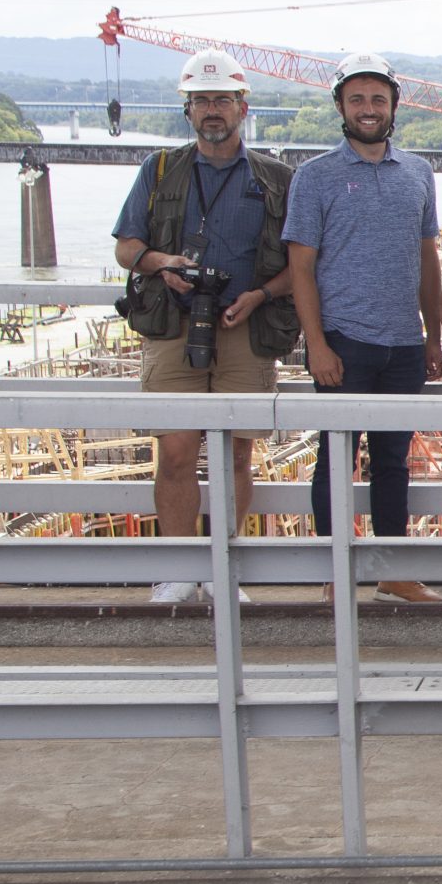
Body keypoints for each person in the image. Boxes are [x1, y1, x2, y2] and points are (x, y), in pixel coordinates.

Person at [112, 48, 298, 604]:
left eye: (222, 99)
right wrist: (163, 265)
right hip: (172, 326)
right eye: (202, 101)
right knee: (174, 451)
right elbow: (126, 248)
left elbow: (304, 264)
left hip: (246, 326)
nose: (212, 110)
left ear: (243, 106)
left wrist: (259, 294)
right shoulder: (160, 171)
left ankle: (225, 567)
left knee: (238, 453)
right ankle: (177, 569)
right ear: (187, 110)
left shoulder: (276, 178)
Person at [284, 51, 442, 603]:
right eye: (357, 99)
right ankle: (336, 573)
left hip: (404, 343)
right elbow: (300, 267)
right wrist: (318, 346)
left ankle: (393, 571)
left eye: (378, 99)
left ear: (394, 105)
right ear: (340, 106)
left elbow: (428, 261)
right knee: (336, 459)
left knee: (393, 461)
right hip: (345, 341)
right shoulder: (315, 177)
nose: (369, 109)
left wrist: (433, 337)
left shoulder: (419, 173)